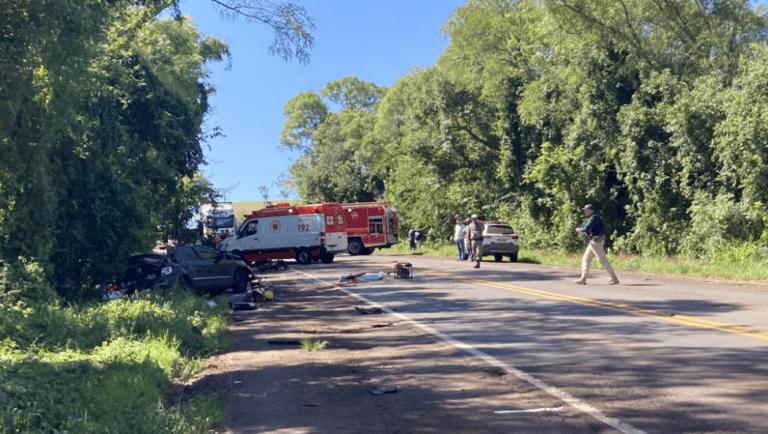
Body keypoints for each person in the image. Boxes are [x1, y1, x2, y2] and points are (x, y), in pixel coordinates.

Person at [574, 204, 619, 285]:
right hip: (594, 241)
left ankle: (614, 278)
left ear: (590, 210)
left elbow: (586, 228)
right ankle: (583, 278)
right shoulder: (594, 218)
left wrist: (579, 229)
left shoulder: (593, 218)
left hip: (596, 241)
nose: (585, 211)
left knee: (602, 259)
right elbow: (590, 230)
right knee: (585, 259)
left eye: (586, 210)